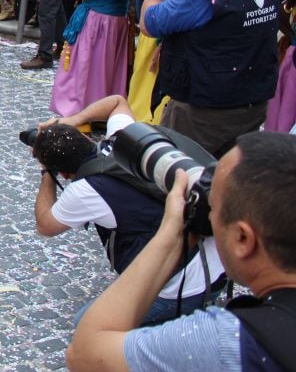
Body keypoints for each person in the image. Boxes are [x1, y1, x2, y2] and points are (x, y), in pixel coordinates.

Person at [67, 132, 296, 372]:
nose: (208, 215)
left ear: (242, 239)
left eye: (212, 207)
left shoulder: (228, 343)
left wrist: (170, 235)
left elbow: (83, 355)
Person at [31, 122, 224, 326]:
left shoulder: (85, 190)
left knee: (86, 324)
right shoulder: (122, 139)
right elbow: (116, 101)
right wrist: (72, 118)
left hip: (185, 287)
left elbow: (45, 225)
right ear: (87, 138)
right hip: (220, 255)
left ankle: (178, 323)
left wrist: (46, 172)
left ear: (64, 173)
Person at [141, 0, 284, 156]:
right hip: (254, 99)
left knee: (185, 172)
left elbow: (150, 24)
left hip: (206, 108)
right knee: (232, 173)